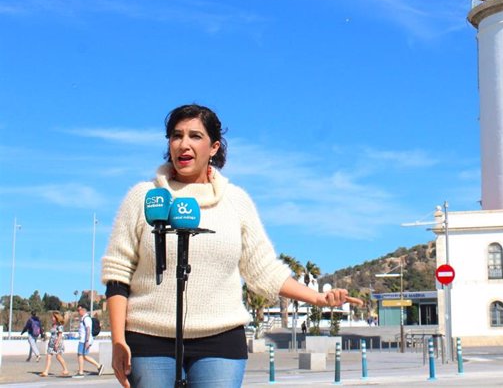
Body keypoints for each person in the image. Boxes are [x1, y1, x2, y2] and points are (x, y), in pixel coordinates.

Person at [102, 104, 361, 388]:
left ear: (213, 147)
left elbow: (263, 271)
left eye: (195, 136)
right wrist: (117, 340)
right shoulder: (144, 197)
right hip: (149, 340)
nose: (184, 144)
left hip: (220, 342)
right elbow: (118, 275)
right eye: (176, 136)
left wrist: (319, 298)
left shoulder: (236, 201)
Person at [73, 304, 104, 378]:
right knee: (84, 356)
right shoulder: (84, 318)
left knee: (80, 355)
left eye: (79, 310)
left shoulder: (86, 319)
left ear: (83, 310)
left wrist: (87, 341)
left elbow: (88, 329)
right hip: (84, 340)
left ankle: (81, 372)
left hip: (84, 340)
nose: (78, 312)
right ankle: (99, 366)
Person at [39, 311, 70, 377]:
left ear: (56, 318)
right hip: (51, 343)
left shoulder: (60, 326)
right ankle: (46, 371)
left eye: (53, 317)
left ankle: (65, 369)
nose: (52, 318)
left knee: (58, 357)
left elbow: (60, 335)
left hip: (57, 343)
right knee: (48, 356)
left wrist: (57, 344)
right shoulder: (53, 325)